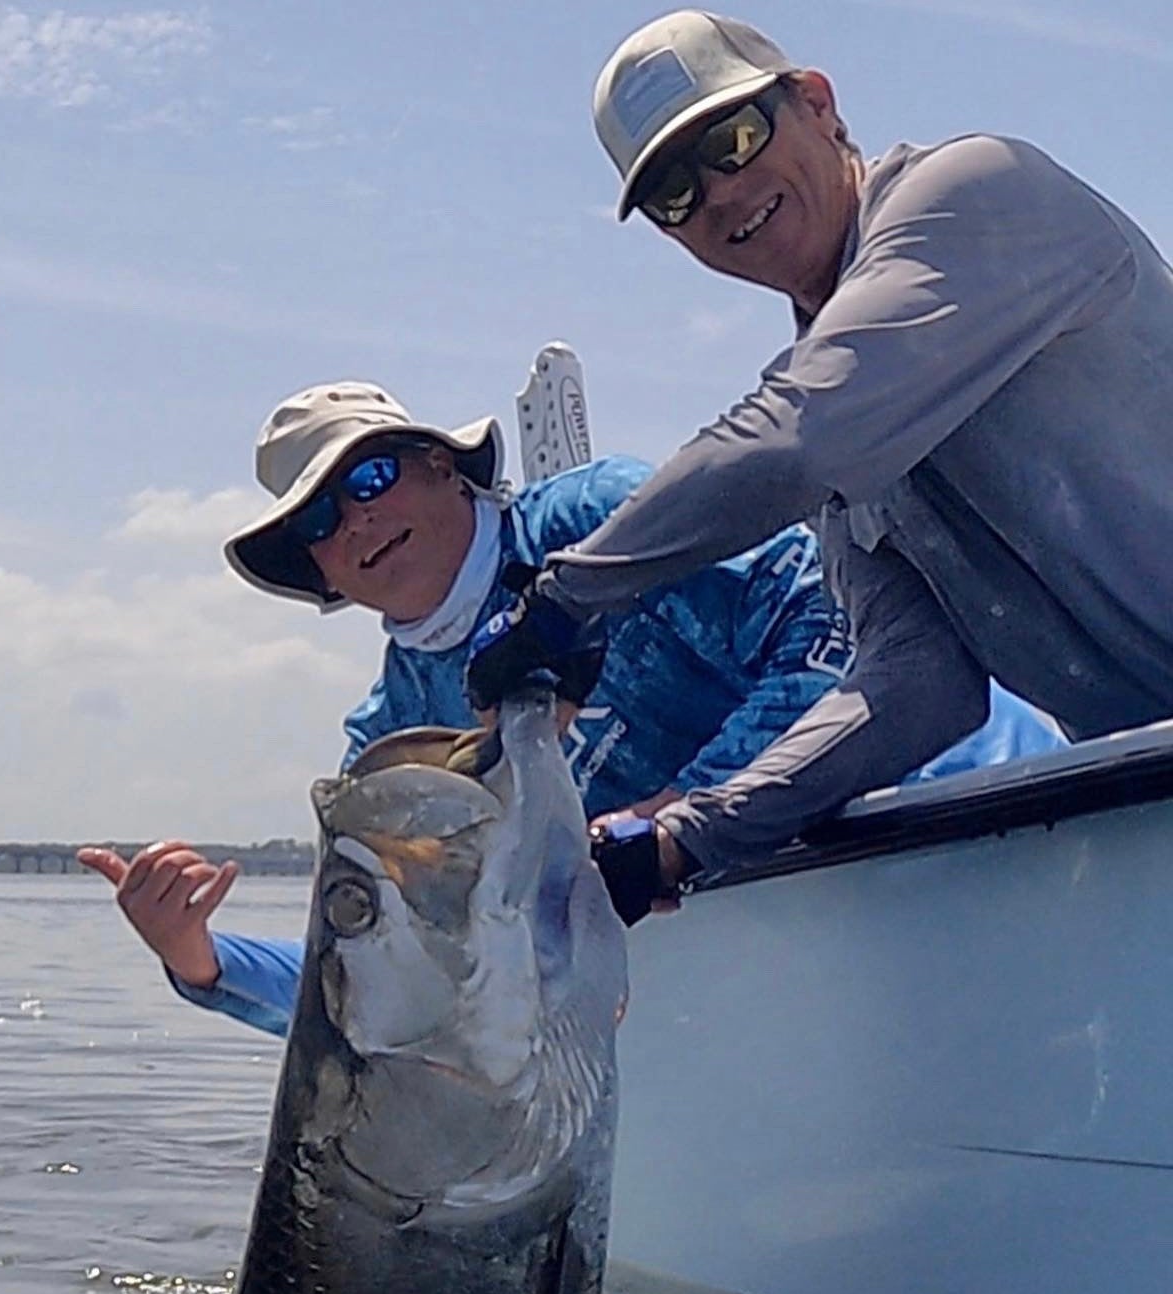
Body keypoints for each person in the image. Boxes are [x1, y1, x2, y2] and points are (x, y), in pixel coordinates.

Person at [80, 364, 1062, 1034]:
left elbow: (841, 635)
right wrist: (198, 960)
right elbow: (400, 985)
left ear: (443, 466)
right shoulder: (393, 747)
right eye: (319, 525)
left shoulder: (604, 521)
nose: (357, 521)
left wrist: (678, 822)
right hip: (771, 966)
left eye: (369, 476)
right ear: (319, 574)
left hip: (986, 819)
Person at [466, 10, 1173, 918]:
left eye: (732, 139)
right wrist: (686, 838)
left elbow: (802, 437)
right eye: (675, 193)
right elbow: (919, 686)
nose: (720, 195)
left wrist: (566, 600)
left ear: (818, 104)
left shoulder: (974, 193)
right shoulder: (834, 445)